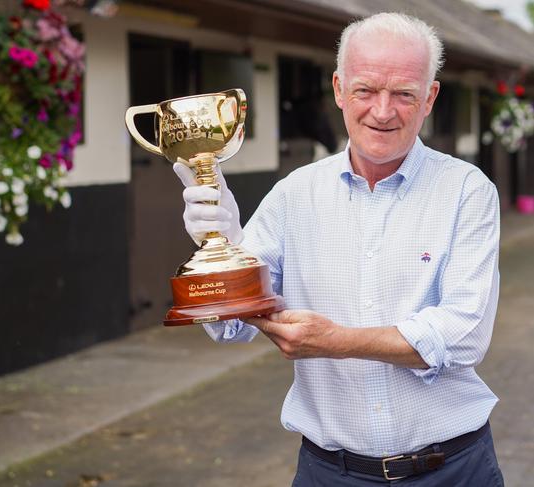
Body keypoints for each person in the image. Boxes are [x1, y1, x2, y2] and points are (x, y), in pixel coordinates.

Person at [173, 12, 504, 487]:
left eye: (404, 94)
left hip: (452, 471)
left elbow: (464, 335)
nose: (383, 111)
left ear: (429, 97)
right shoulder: (294, 194)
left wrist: (335, 342)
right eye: (366, 90)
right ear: (338, 88)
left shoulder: (467, 191)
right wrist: (219, 243)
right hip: (331, 474)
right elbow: (230, 328)